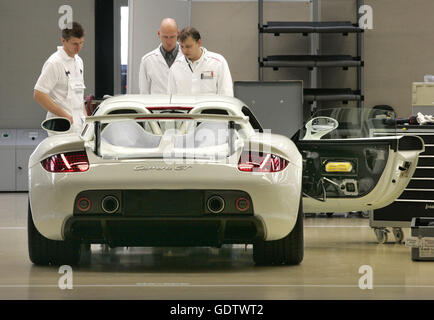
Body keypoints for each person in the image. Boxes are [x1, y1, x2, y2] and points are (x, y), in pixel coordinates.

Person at [34, 22, 86, 134]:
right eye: (75, 44)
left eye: (81, 43)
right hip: (61, 126)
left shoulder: (79, 61)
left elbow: (79, 94)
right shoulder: (54, 63)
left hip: (79, 126)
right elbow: (39, 94)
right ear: (63, 40)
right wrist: (66, 117)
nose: (79, 47)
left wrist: (86, 119)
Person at [167, 27, 233, 97]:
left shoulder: (218, 62)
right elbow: (170, 97)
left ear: (199, 43)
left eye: (188, 46)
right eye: (182, 47)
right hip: (185, 107)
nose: (184, 50)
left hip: (210, 107)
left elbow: (226, 94)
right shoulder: (175, 66)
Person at [139, 18, 182, 94]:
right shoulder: (147, 60)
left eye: (172, 37)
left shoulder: (188, 57)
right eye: (165, 37)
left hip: (181, 104)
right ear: (159, 34)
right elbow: (144, 93)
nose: (169, 41)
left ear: (178, 33)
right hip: (157, 105)